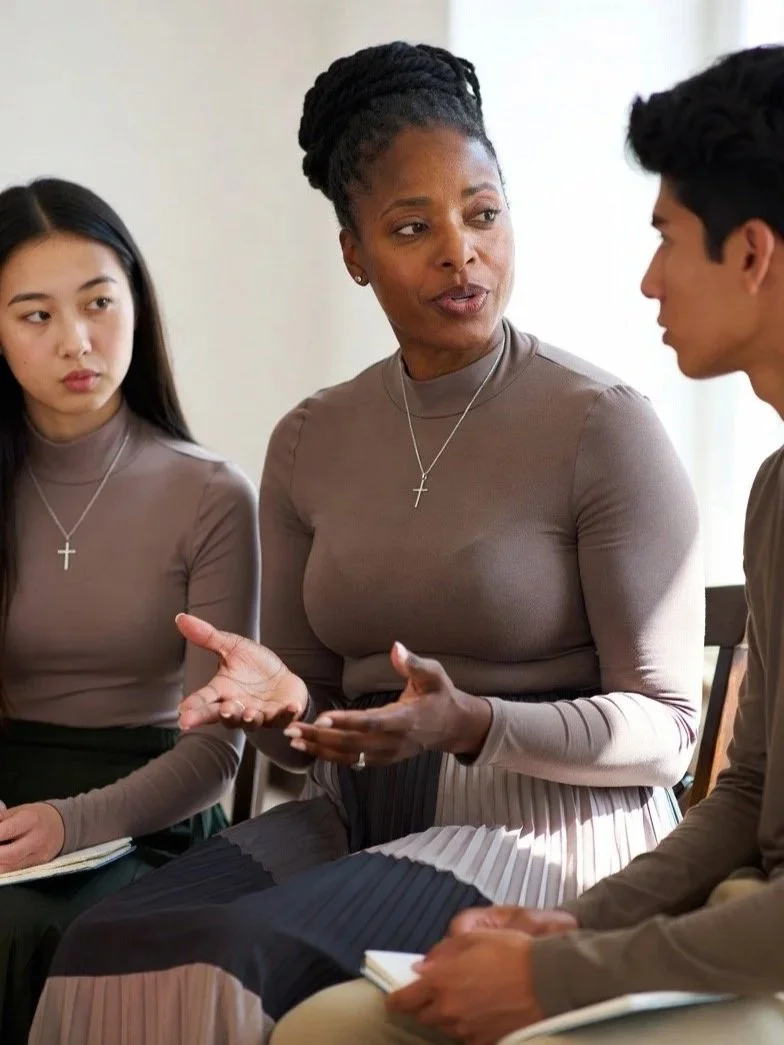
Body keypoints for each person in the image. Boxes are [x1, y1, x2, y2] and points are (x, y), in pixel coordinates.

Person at [29, 43, 702, 1045]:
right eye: (409, 227)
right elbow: (307, 724)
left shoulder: (601, 424)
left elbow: (667, 726)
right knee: (102, 938)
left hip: (546, 827)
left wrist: (471, 721)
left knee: (234, 951)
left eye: (482, 213)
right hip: (360, 814)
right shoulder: (309, 440)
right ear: (353, 253)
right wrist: (281, 704)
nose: (459, 253)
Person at [270, 42, 784, 1045]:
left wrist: (561, 970)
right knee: (328, 1026)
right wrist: (572, 926)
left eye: (666, 239)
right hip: (731, 919)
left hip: (749, 951)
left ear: (753, 255)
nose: (645, 281)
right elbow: (749, 791)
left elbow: (669, 732)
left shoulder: (602, 421)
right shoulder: (773, 492)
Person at [0, 177, 259, 1045]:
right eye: (35, 315)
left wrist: (72, 822)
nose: (76, 340)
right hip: (7, 809)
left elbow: (216, 755)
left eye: (99, 303)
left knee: (33, 931)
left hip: (147, 818)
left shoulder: (211, 494)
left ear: (136, 306)